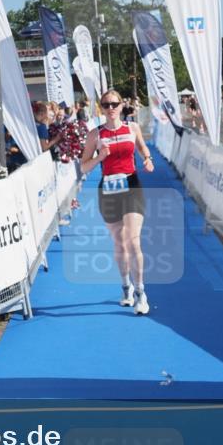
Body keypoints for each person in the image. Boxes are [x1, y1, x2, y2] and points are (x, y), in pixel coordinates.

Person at [80, 89, 155, 315]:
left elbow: (141, 147)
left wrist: (147, 159)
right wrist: (100, 157)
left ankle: (141, 293)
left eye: (114, 104)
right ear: (101, 108)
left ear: (122, 106)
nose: (110, 108)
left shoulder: (132, 128)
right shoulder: (95, 135)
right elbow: (83, 167)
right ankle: (126, 287)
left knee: (133, 242)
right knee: (120, 244)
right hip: (108, 190)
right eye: (106, 105)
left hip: (131, 185)